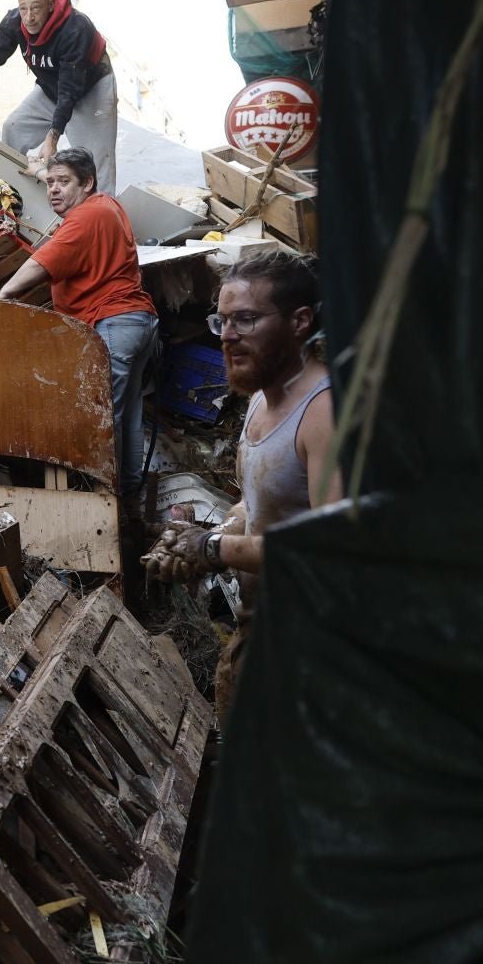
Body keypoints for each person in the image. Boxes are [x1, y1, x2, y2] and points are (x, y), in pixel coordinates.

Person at [143, 249, 341, 716]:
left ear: (300, 322)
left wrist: (212, 549)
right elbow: (260, 508)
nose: (228, 337)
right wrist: (205, 536)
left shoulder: (326, 415)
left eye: (247, 320)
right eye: (222, 322)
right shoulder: (261, 399)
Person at [0, 147, 159, 499]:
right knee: (127, 417)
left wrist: (0, 298)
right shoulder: (106, 205)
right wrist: (42, 168)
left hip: (114, 322)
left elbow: (41, 264)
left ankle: (101, 500)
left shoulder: (84, 218)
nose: (53, 189)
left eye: (63, 182)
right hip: (136, 321)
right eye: (50, 183)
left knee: (101, 419)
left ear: (87, 183)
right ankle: (127, 501)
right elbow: (53, 177)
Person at [0, 0, 118, 193]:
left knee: (95, 163)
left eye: (36, 8)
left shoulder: (74, 28)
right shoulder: (14, 22)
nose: (29, 17)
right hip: (50, 88)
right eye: (23, 9)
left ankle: (103, 218)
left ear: (50, 6)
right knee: (13, 128)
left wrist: (52, 137)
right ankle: (9, 195)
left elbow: (69, 89)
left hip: (91, 88)